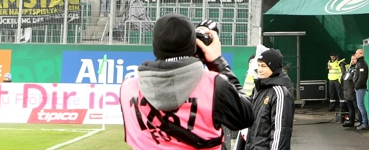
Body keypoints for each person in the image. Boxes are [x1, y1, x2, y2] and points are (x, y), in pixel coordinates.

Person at [120, 13, 254, 150]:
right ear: (193, 45)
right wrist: (218, 62)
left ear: (155, 46)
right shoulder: (214, 85)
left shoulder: (128, 89)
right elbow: (246, 116)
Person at [245, 48, 294, 150]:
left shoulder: (280, 93)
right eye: (258, 65)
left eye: (264, 66)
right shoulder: (258, 89)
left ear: (274, 68)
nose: (260, 70)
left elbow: (280, 131)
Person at [351, 49, 369, 131]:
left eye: (357, 53)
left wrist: (356, 86)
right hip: (359, 88)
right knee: (359, 106)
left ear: (361, 54)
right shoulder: (359, 63)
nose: (355, 54)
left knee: (361, 106)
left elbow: (362, 77)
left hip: (360, 88)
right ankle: (362, 122)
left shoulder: (362, 64)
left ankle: (365, 123)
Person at [341, 54, 359, 127]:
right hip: (347, 92)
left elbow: (355, 80)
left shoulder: (356, 68)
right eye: (351, 59)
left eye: (354, 59)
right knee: (350, 108)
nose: (352, 60)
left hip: (353, 92)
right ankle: (351, 122)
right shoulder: (349, 68)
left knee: (357, 108)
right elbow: (345, 78)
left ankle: (360, 122)